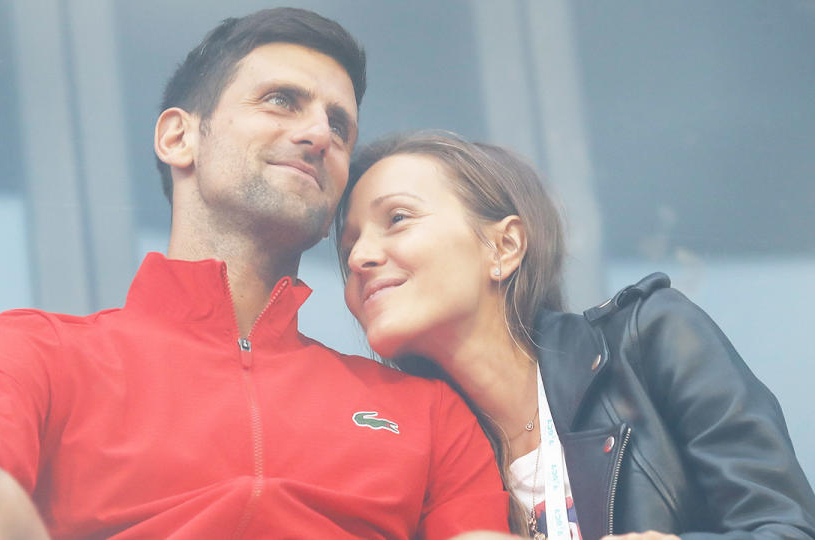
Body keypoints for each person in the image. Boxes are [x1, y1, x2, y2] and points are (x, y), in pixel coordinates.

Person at [0, 11, 512, 540]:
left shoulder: (425, 414)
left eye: (339, 125)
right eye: (282, 101)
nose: (319, 134)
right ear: (178, 138)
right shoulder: (42, 352)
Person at [336, 131, 815, 540]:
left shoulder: (649, 336)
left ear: (504, 246)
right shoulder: (414, 447)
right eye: (349, 245)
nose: (360, 257)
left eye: (397, 218)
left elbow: (787, 526)